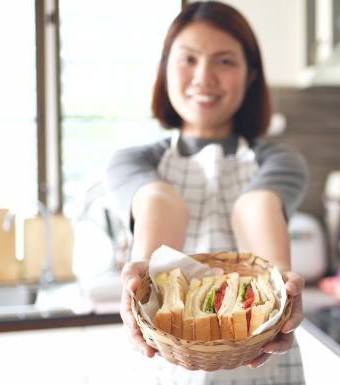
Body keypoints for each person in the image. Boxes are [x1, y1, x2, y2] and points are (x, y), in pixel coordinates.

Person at [105, 2, 309, 384]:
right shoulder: (130, 162)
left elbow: (257, 205)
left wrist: (280, 287)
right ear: (165, 70)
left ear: (250, 75)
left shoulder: (280, 160)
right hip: (164, 368)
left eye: (225, 61)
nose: (204, 77)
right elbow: (159, 202)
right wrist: (145, 276)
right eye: (188, 59)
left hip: (263, 367)